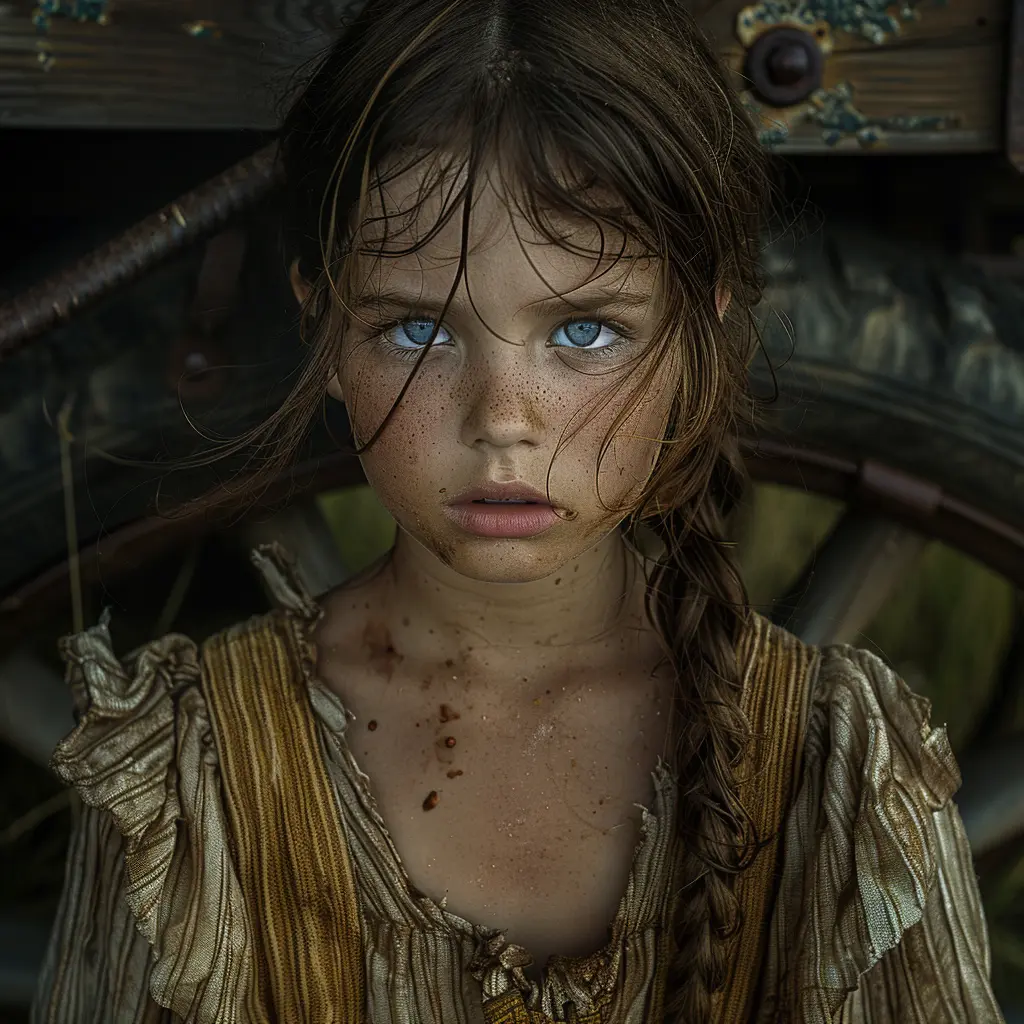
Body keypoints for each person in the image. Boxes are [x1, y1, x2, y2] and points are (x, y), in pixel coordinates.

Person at [31, 0, 1003, 1021]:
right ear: (323, 332)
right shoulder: (199, 773)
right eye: (416, 330)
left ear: (695, 331)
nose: (501, 420)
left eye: (584, 330)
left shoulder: (837, 762)